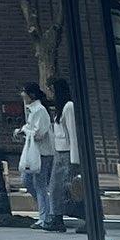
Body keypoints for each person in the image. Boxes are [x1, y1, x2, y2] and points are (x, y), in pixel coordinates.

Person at [15, 81, 55, 225]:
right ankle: (46, 210)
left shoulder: (39, 110)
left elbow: (39, 133)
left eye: (24, 92)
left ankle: (45, 216)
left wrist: (25, 131)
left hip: (42, 152)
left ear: (31, 95)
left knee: (39, 184)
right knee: (27, 180)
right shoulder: (32, 110)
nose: (22, 95)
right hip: (34, 151)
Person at [44, 77, 78, 231]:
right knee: (55, 187)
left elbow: (73, 133)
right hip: (59, 152)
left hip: (67, 153)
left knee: (65, 187)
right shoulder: (60, 108)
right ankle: (57, 218)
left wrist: (75, 159)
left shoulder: (69, 107)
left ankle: (61, 217)